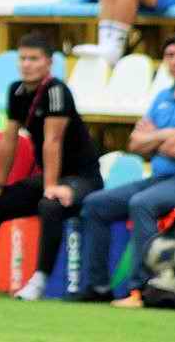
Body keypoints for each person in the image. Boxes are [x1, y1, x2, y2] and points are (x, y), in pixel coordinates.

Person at [0, 34, 104, 300]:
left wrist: (50, 186)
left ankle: (39, 282)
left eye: (34, 59)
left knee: (49, 205)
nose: (27, 64)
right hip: (51, 176)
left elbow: (53, 141)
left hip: (81, 177)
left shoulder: (56, 91)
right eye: (23, 59)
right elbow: (9, 139)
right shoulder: (17, 90)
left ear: (48, 63)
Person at [74, 37, 175, 308]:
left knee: (141, 204)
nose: (173, 61)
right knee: (96, 204)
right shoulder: (163, 98)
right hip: (158, 178)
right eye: (169, 55)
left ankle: (142, 289)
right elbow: (134, 144)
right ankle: (97, 286)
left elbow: (158, 144)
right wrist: (165, 136)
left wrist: (154, 137)